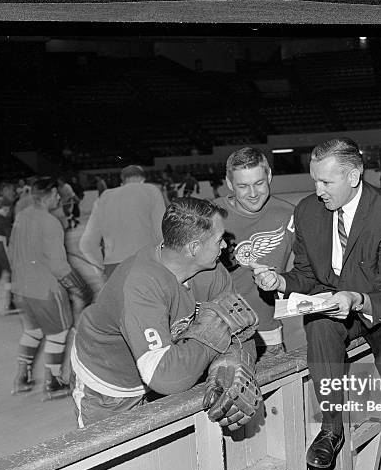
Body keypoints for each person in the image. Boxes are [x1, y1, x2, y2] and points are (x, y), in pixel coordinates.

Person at [253, 137, 381, 470]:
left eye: (326, 182)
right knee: (318, 326)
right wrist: (281, 281)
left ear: (353, 176)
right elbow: (306, 273)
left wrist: (357, 300)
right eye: (314, 181)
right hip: (337, 303)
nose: (317, 191)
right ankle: (332, 425)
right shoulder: (307, 211)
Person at [70, 198, 260, 428]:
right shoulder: (141, 284)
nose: (224, 247)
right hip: (109, 387)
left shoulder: (212, 270)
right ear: (194, 248)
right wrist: (210, 343)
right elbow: (164, 376)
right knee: (117, 461)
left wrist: (230, 362)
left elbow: (241, 328)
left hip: (167, 365)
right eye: (219, 240)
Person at [8, 177, 93, 399]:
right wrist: (78, 288)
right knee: (59, 332)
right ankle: (54, 382)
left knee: (33, 331)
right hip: (45, 289)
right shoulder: (49, 221)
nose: (58, 197)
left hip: (21, 288)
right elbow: (58, 265)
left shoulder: (22, 217)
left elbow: (13, 251)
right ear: (51, 193)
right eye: (57, 194)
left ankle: (22, 377)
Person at [215, 146, 294, 359]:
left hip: (267, 336)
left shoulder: (289, 215)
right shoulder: (211, 217)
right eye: (243, 186)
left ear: (269, 175)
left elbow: (308, 270)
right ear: (229, 183)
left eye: (259, 183)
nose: (252, 194)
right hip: (217, 336)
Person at [79, 164, 166, 281]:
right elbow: (162, 234)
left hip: (113, 269)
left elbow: (87, 244)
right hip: (146, 266)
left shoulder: (104, 197)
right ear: (143, 179)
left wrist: (102, 268)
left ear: (122, 180)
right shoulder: (151, 191)